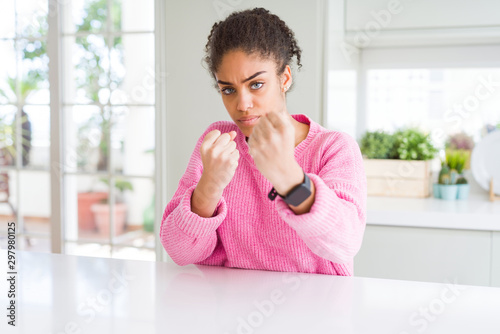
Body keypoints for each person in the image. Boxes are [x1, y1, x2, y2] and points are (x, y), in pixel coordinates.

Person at [160, 8, 367, 276]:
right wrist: (209, 186)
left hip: (316, 312)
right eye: (228, 90)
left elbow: (344, 243)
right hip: (229, 309)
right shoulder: (219, 144)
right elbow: (179, 252)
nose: (242, 104)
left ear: (285, 78)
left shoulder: (332, 148)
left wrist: (289, 178)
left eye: (256, 84)